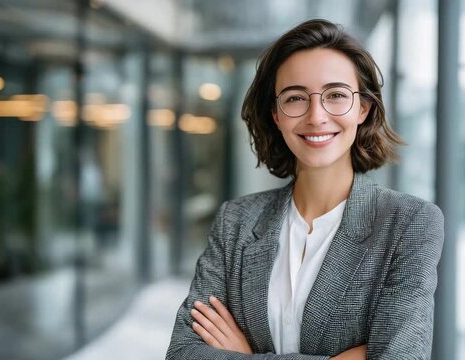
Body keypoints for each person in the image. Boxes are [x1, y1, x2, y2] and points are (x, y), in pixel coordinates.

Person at [166, 19, 444, 360]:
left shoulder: (409, 223)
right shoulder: (236, 220)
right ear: (276, 114)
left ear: (363, 108)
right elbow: (183, 352)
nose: (316, 116)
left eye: (336, 95)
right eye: (296, 98)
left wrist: (247, 356)